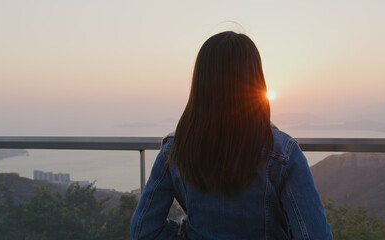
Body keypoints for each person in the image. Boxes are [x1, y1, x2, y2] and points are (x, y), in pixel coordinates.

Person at [130, 31, 332, 240]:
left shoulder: (175, 150)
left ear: (200, 85)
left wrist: (188, 233)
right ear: (256, 83)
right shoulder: (284, 152)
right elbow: (315, 235)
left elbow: (144, 229)